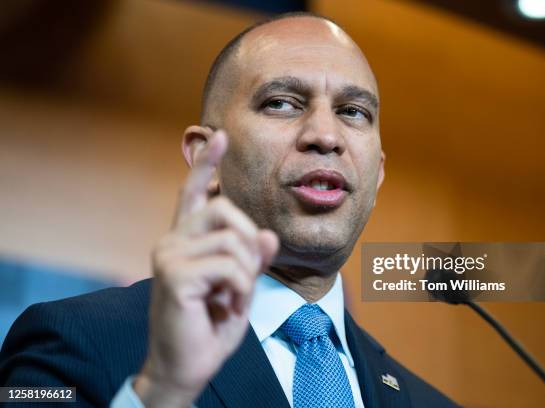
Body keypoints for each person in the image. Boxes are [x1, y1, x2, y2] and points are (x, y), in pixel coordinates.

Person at [0, 12, 458, 408]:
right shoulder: (70, 341)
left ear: (376, 176)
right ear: (206, 157)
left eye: (353, 111)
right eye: (281, 103)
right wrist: (162, 390)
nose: (326, 134)